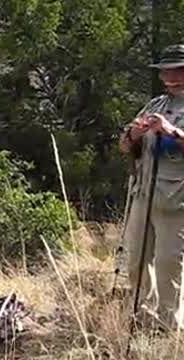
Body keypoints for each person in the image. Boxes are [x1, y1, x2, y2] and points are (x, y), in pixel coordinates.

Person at [119, 44, 184, 330]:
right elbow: (124, 145)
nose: (171, 77)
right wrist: (134, 133)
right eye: (166, 72)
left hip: (176, 198)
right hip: (143, 194)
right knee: (135, 260)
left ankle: (170, 324)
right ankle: (142, 317)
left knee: (169, 263)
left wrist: (172, 131)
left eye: (178, 71)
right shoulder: (154, 105)